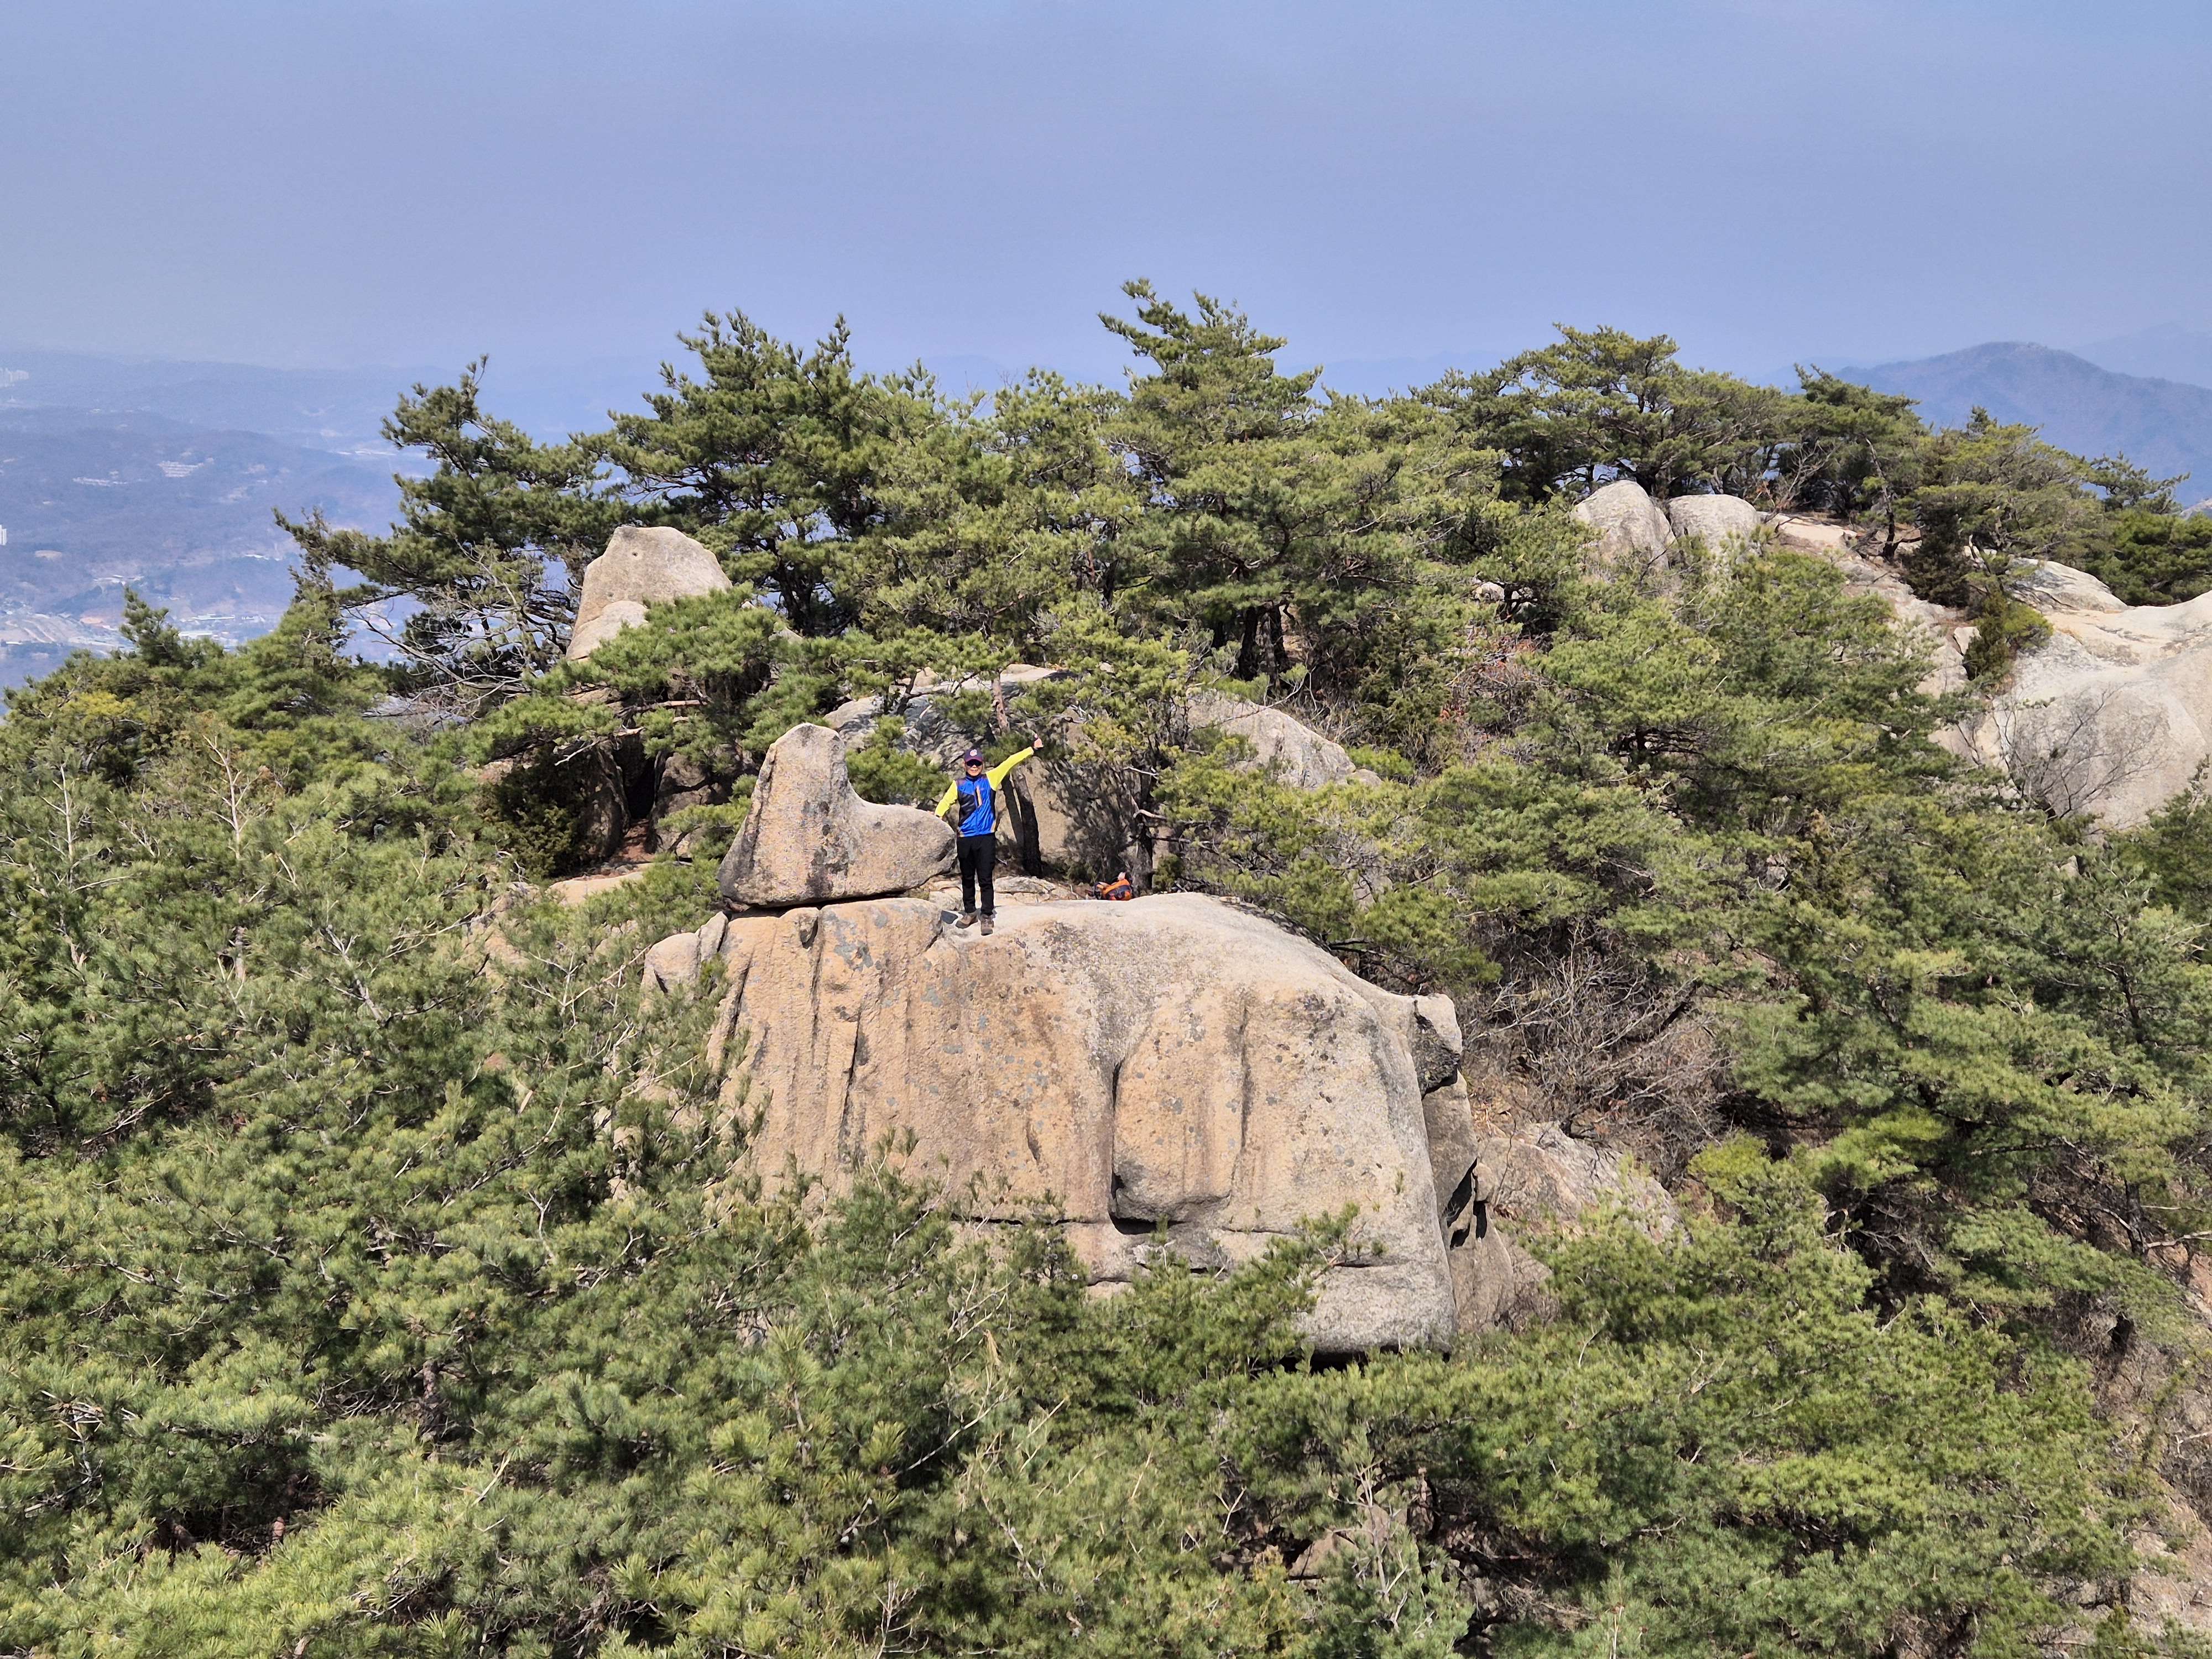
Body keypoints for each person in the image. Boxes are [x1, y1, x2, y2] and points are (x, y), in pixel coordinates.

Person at [932, 733, 1040, 936]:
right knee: (966, 878)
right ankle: (970, 912)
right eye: (971, 763)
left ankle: (987, 915)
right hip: (965, 838)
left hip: (985, 838)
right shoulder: (958, 785)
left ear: (982, 764)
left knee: (985, 878)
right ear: (965, 765)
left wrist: (1031, 749)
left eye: (977, 763)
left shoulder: (991, 778)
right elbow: (946, 802)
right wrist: (937, 816)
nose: (974, 767)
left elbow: (1010, 762)